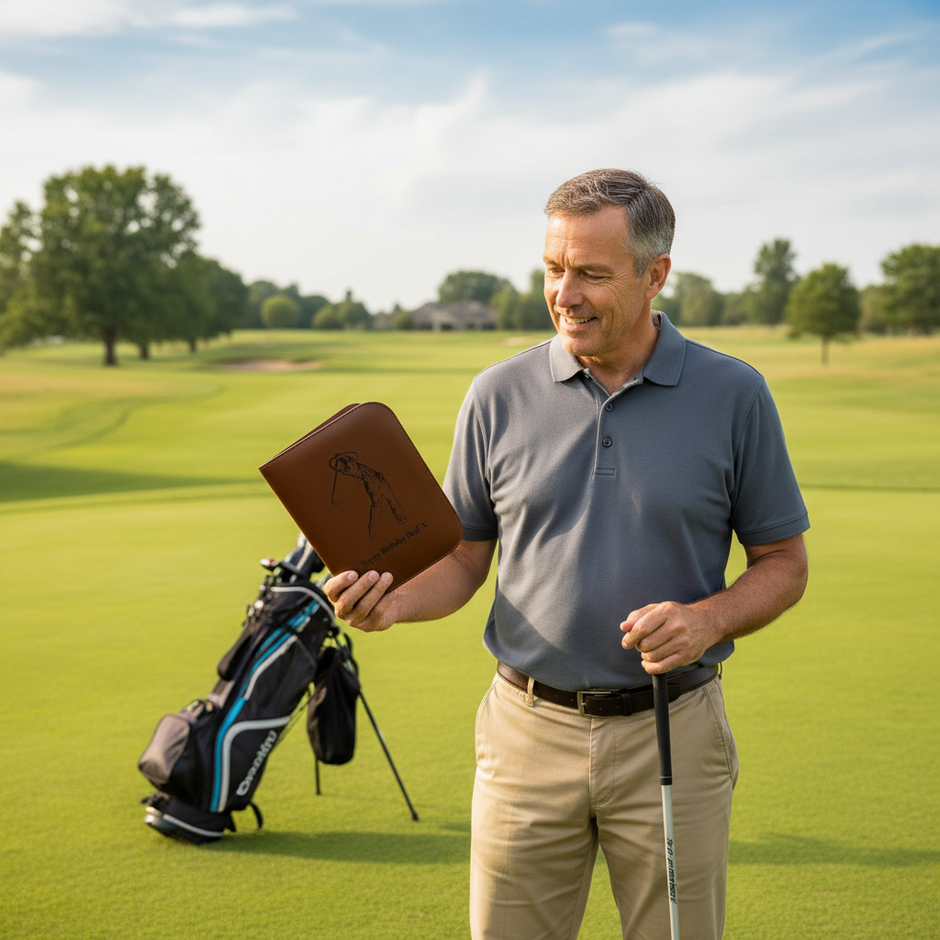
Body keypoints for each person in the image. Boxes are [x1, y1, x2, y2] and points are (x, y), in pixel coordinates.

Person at [324, 168, 809, 940]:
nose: (565, 294)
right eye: (553, 268)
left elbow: (784, 561)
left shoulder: (733, 394)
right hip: (526, 733)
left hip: (672, 728)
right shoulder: (496, 394)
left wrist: (706, 622)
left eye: (591, 273)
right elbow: (462, 559)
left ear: (655, 275)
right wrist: (394, 604)